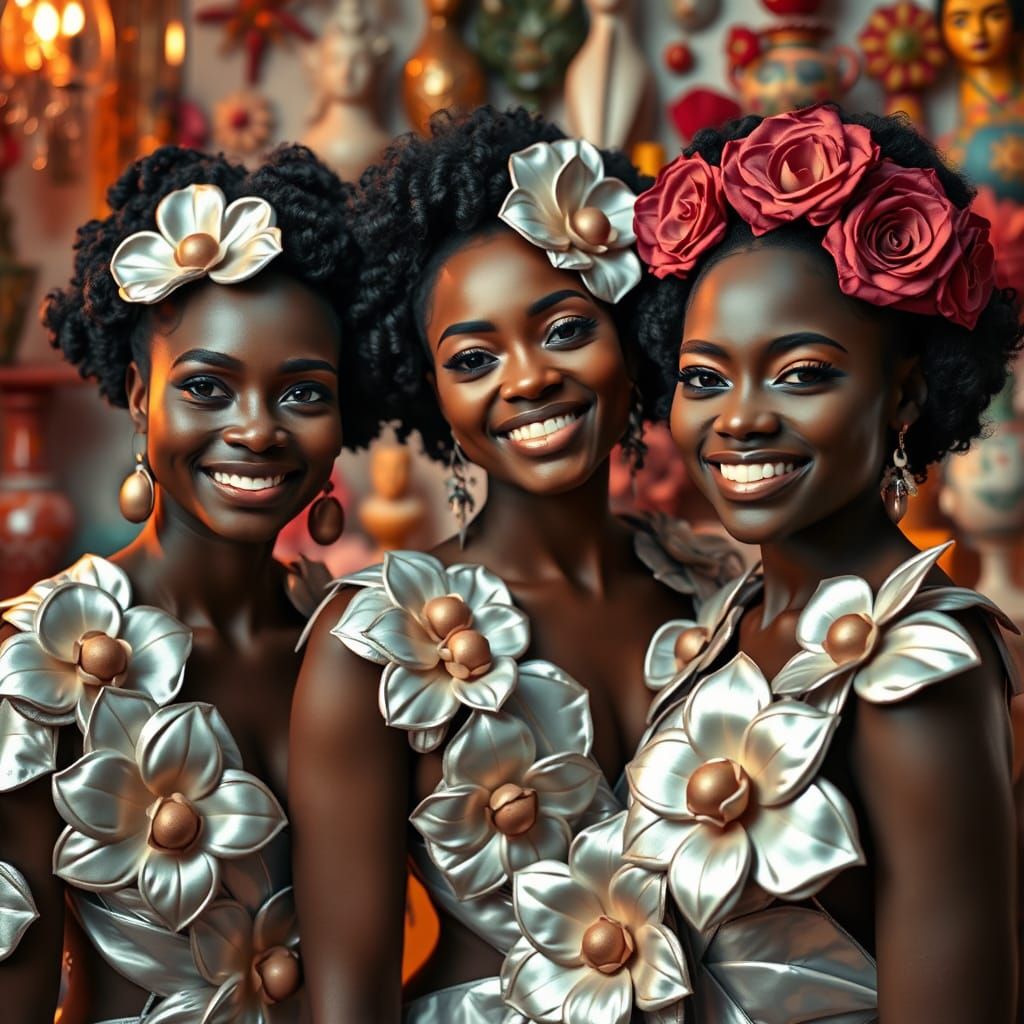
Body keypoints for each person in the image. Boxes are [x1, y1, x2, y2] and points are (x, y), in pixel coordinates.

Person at [289, 105, 741, 1024]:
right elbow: (348, 995)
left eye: (567, 329)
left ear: (633, 338)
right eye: (473, 356)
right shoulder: (368, 642)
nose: (527, 377)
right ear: (433, 393)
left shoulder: (731, 593)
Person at [627, 103, 1022, 1022]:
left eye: (801, 373)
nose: (740, 418)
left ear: (906, 396)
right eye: (703, 377)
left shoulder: (918, 666)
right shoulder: (737, 611)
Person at [0, 143, 377, 1023]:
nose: (256, 430)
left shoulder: (359, 638)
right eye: (207, 387)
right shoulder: (39, 664)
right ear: (139, 396)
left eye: (304, 394)